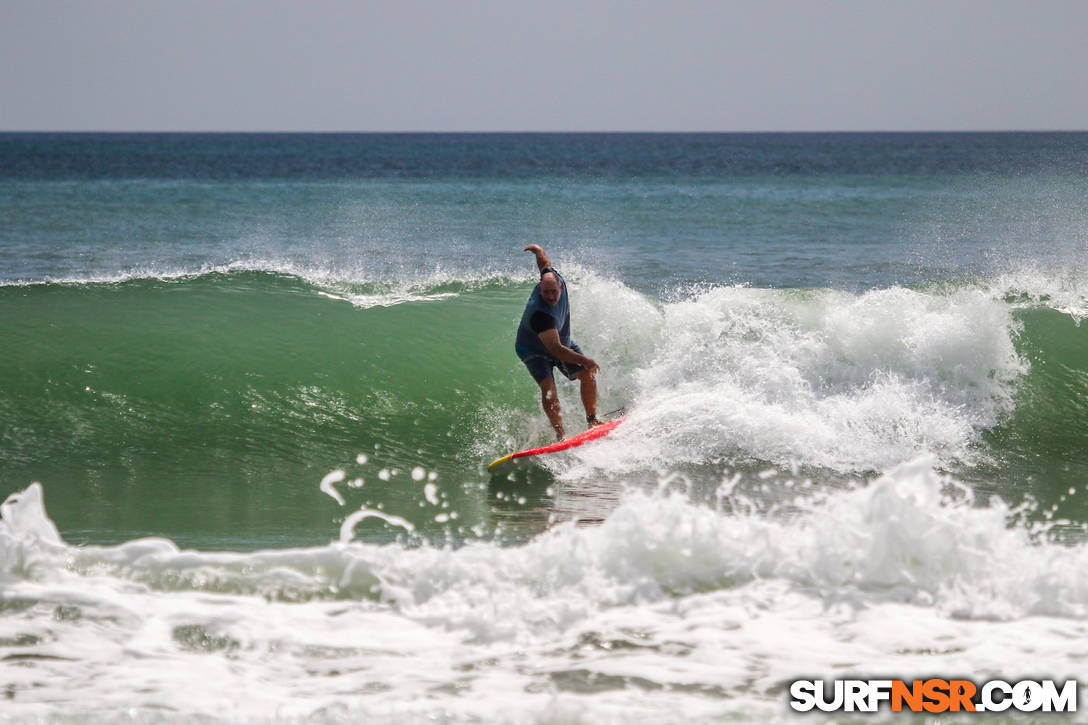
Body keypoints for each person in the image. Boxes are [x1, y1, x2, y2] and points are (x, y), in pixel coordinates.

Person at [515, 244, 602, 440]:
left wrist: (538, 251)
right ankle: (560, 434)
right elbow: (556, 349)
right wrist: (586, 359)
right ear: (540, 289)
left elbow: (545, 264)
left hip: (561, 341)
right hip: (532, 348)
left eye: (554, 291)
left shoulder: (554, 277)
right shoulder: (540, 314)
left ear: (560, 285)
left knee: (587, 376)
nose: (551, 297)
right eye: (546, 292)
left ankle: (592, 420)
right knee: (549, 389)